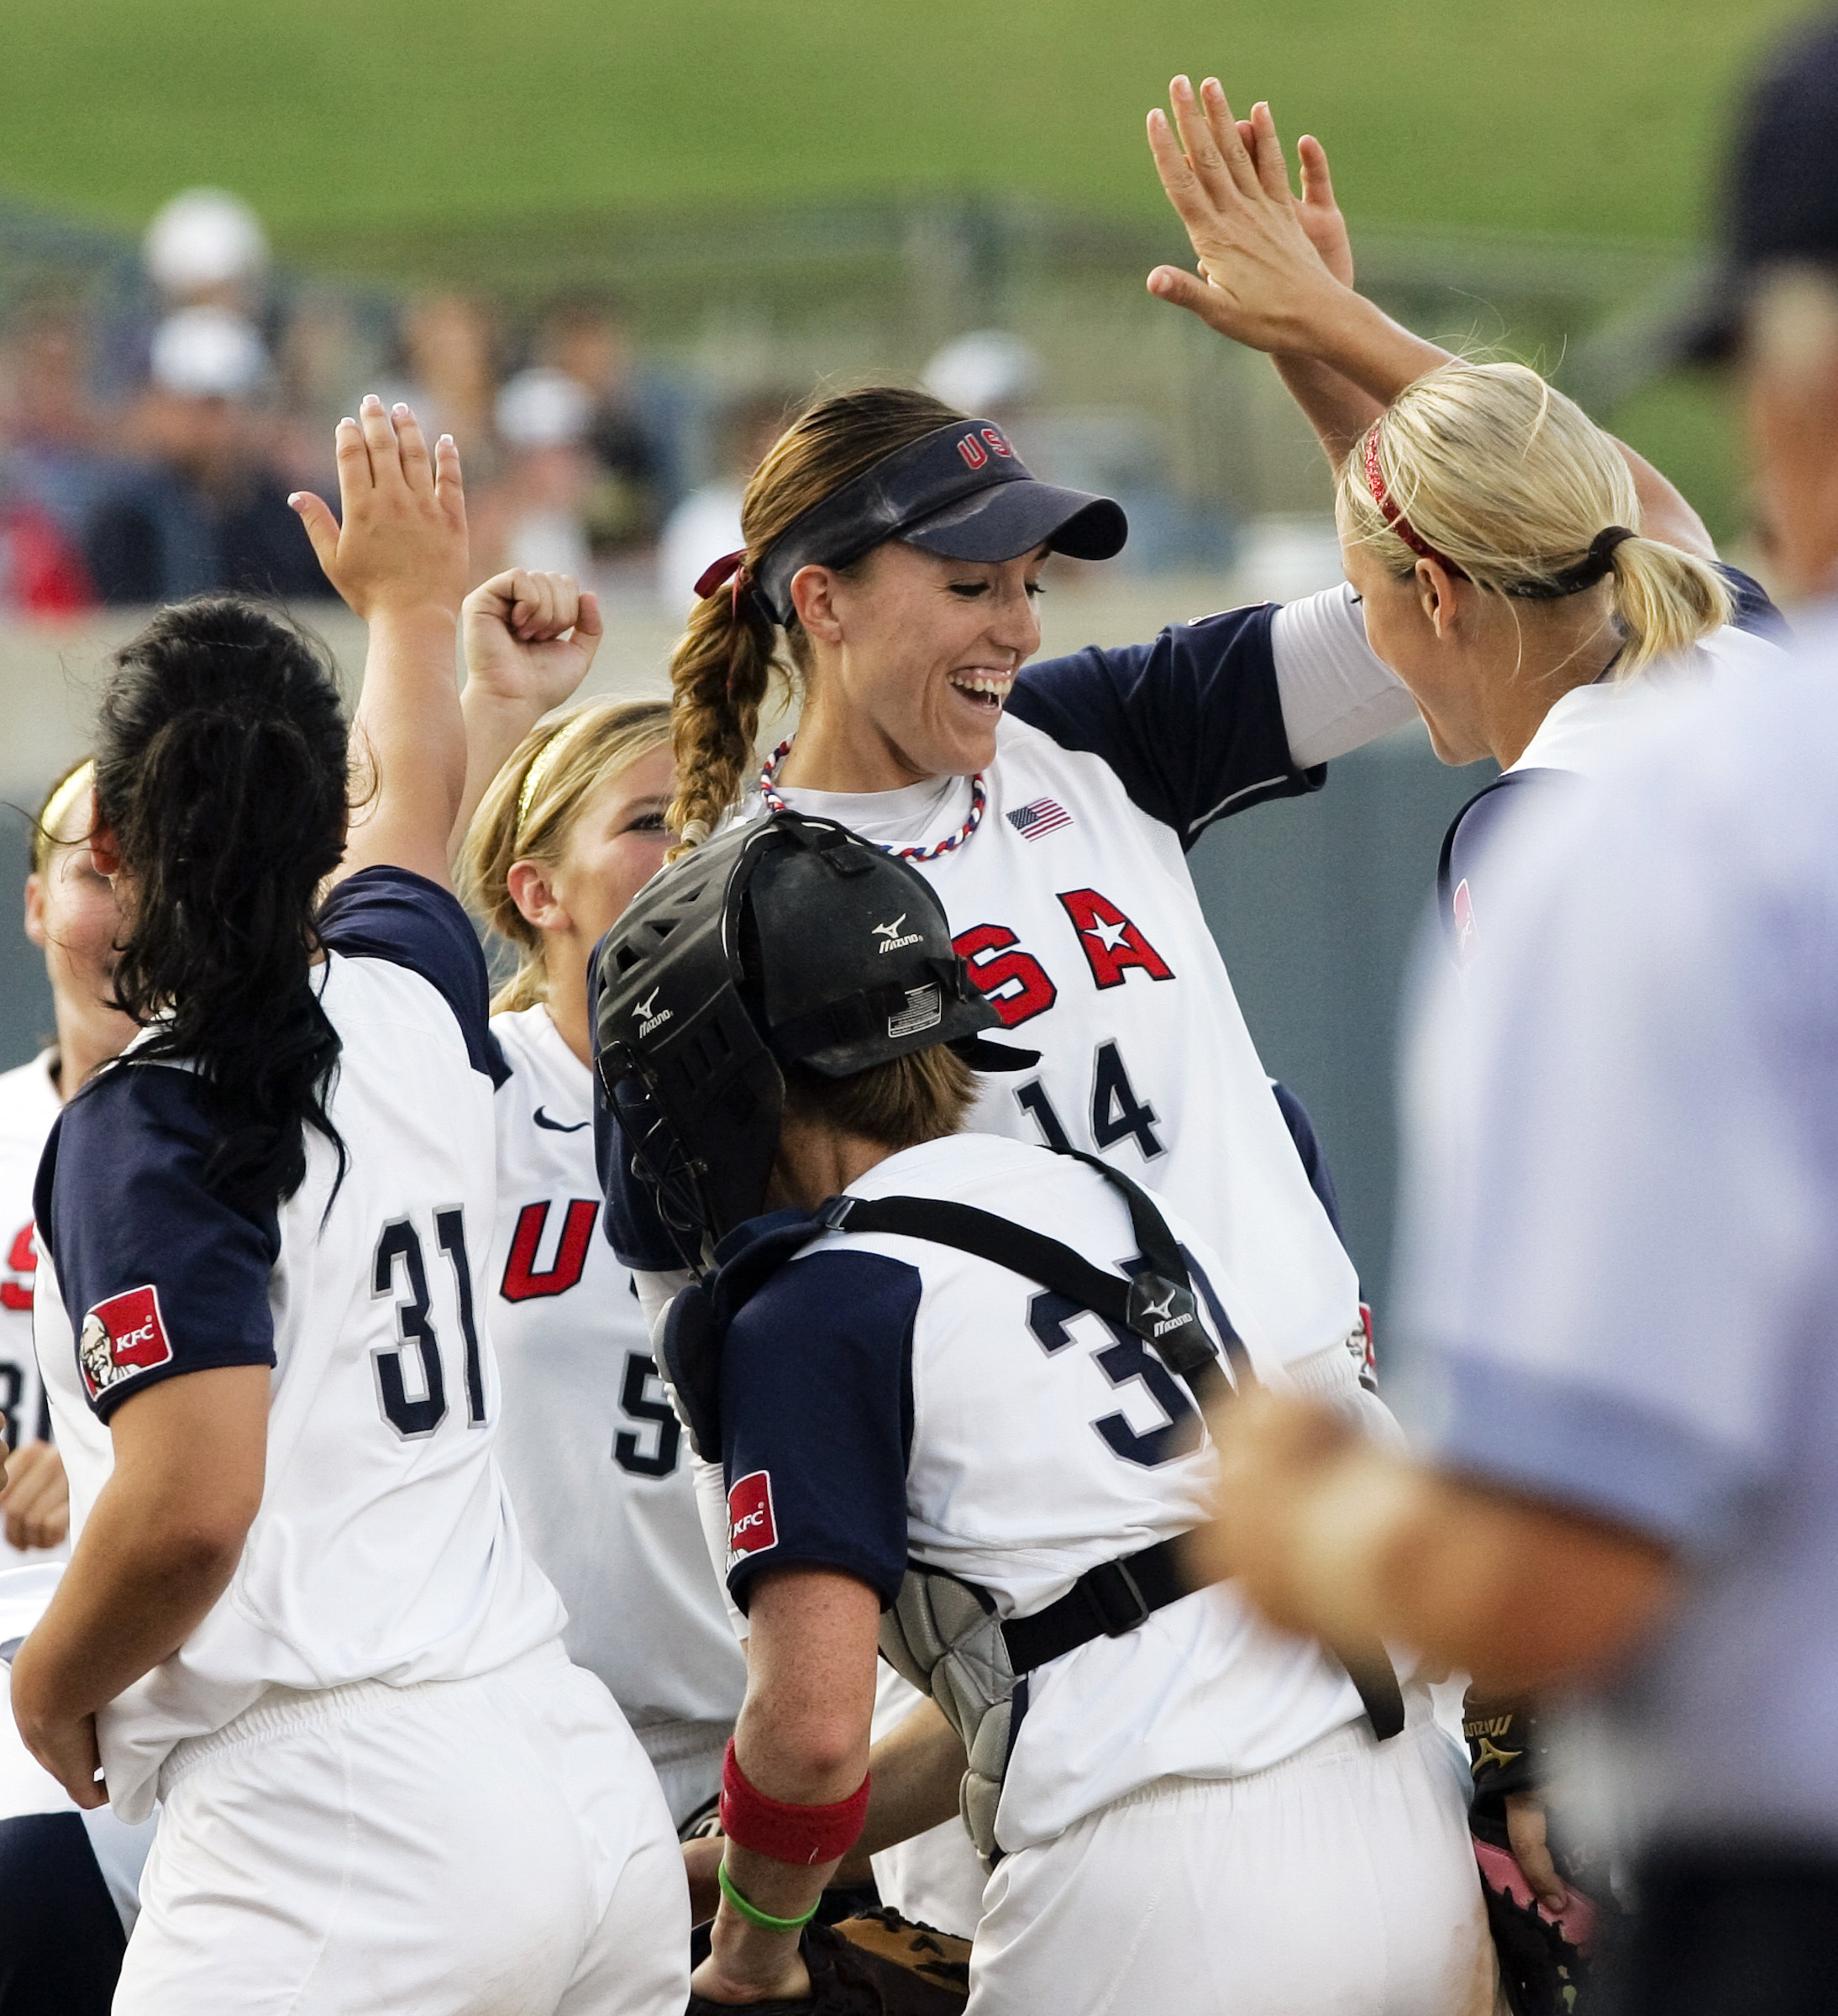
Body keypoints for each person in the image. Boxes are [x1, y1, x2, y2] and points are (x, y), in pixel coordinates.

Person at [1198, 18, 1838, 2012]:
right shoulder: (1708, 678)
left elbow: (1560, 1555)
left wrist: (1308, 1524)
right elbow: (1600, 520)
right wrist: (1339, 335)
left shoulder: (1613, 828)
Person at [8, 396, 686, 2014]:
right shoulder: (401, 996)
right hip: (573, 1778)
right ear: (313, 826)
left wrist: (49, 1686)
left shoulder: (142, 1121)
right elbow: (411, 818)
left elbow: (187, 1511)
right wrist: (401, 599)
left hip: (344, 1825)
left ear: (120, 845)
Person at [593, 811, 1495, 2014]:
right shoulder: (1102, 1202)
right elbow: (1077, 1649)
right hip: (1392, 1825)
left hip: (1160, 1895)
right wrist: (728, 1869)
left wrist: (752, 1953)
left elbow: (807, 1735)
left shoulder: (815, 1304)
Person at [1142, 77, 1788, 960]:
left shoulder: (1536, 835)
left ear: (1439, 595)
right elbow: (1631, 505)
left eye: (1364, 600)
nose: (1367, 634)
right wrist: (1320, 326)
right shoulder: (1733, 644)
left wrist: (1319, 320)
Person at [457, 678, 747, 1825]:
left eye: (712, 821)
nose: (690, 848)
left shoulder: (804, 1105)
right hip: (518, 1758)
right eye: (647, 822)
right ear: (538, 891)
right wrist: (483, 699)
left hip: (762, 1751)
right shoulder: (471, 1090)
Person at [0, 760, 141, 1573]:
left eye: (168, 871)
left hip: (211, 1672)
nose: (136, 916)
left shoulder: (291, 1153)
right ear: (35, 905)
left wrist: (106, 1480)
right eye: (98, 873)